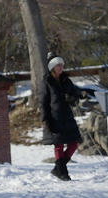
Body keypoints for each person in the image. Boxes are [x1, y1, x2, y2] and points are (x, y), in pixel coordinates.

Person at [40, 52, 83, 181]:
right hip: (54, 117)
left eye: (62, 65)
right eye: (58, 65)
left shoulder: (66, 80)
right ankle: (63, 172)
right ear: (52, 67)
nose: (61, 67)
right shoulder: (47, 81)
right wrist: (45, 119)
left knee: (74, 144)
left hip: (68, 117)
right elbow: (43, 102)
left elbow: (75, 94)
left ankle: (57, 168)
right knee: (58, 145)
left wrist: (73, 98)